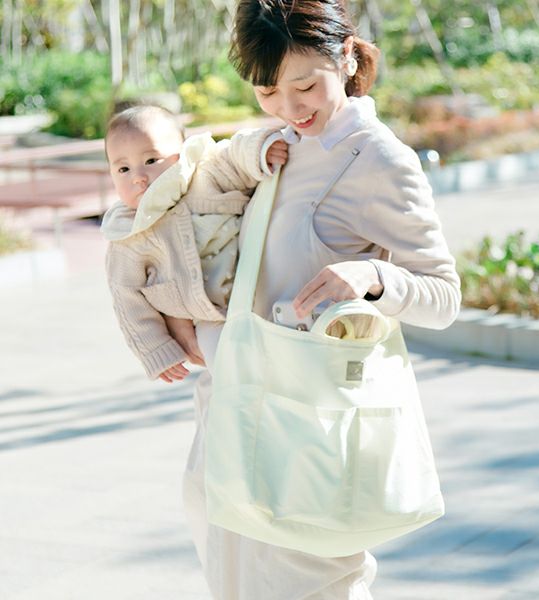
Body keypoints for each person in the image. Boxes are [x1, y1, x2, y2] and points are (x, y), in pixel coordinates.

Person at [182, 1, 462, 598]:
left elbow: (443, 296)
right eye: (268, 91)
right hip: (233, 410)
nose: (290, 108)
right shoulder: (277, 145)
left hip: (305, 429)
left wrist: (372, 276)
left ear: (346, 58)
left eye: (306, 86)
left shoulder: (379, 158)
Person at [101, 104, 287, 382]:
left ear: (181, 154)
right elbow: (127, 298)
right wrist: (156, 349)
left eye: (151, 160)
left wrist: (259, 151)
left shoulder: (204, 176)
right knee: (229, 369)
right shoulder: (126, 233)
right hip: (207, 319)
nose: (138, 177)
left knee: (282, 356)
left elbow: (233, 155)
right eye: (123, 168)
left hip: (262, 293)